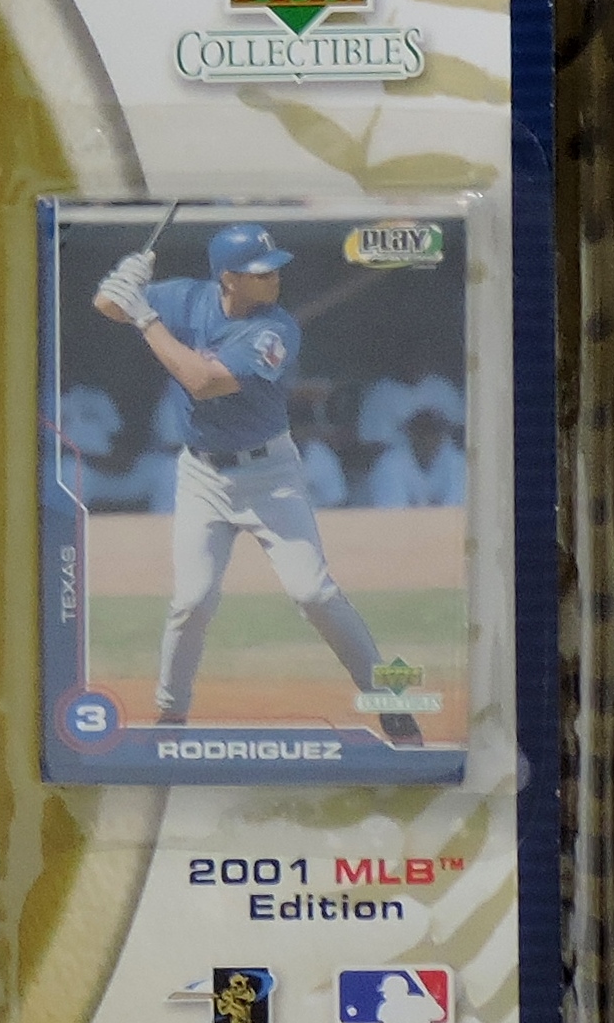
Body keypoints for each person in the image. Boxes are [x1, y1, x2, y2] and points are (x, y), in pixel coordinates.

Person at [95, 222, 416, 743]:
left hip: (270, 475)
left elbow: (203, 382)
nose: (274, 278)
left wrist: (144, 315)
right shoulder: (186, 298)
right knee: (192, 600)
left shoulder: (276, 329)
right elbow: (107, 306)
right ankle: (171, 717)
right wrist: (123, 283)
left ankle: (390, 700)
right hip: (201, 473)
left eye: (274, 270)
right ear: (228, 278)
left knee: (314, 593)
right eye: (260, 272)